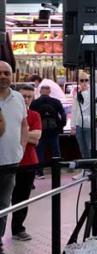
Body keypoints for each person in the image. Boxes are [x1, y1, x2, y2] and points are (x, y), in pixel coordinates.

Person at [0, 61, 29, 254]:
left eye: (6, 73)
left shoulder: (18, 97)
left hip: (10, 163)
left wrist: (21, 148)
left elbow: (24, 125)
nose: (3, 76)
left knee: (3, 206)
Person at [10, 84, 42, 241]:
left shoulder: (35, 115)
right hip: (8, 162)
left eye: (30, 96)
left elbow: (36, 137)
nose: (27, 100)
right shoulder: (8, 113)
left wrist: (16, 133)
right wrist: (25, 134)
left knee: (22, 198)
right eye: (24, 96)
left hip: (28, 162)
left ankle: (18, 229)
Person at [30, 83, 66, 177]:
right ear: (49, 91)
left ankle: (40, 172)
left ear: (40, 91)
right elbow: (63, 115)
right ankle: (57, 170)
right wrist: (61, 126)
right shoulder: (56, 101)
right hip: (54, 130)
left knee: (40, 151)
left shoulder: (34, 103)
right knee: (55, 150)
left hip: (40, 130)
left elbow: (31, 116)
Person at [71, 71, 93, 158]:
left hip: (89, 124)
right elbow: (74, 111)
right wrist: (73, 126)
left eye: (86, 80)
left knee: (89, 147)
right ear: (79, 82)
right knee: (82, 148)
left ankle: (90, 166)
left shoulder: (92, 93)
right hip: (79, 125)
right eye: (82, 80)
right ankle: (86, 167)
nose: (84, 82)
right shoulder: (77, 95)